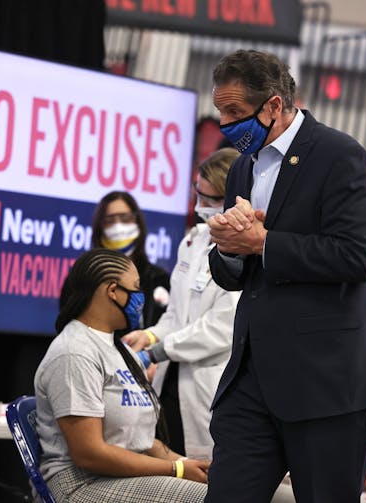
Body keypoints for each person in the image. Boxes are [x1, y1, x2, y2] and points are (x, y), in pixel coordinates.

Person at [205, 49, 366, 503]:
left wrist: (263, 242)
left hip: (324, 380)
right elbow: (237, 272)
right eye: (220, 112)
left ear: (273, 105)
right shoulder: (240, 167)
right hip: (251, 377)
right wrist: (229, 249)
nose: (224, 124)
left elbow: (357, 257)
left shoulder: (340, 155)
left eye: (234, 112)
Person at [34, 248, 210, 503]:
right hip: (80, 485)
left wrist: (187, 463)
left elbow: (144, 441)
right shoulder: (74, 352)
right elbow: (89, 454)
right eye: (136, 288)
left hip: (121, 478)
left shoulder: (119, 350)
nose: (142, 297)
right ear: (113, 291)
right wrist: (177, 470)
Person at [122, 148, 241, 458]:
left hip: (209, 385)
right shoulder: (193, 241)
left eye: (211, 200)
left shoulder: (246, 252)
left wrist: (159, 350)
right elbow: (176, 314)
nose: (201, 206)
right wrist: (150, 336)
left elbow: (220, 329)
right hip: (170, 382)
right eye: (198, 196)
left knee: (204, 478)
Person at [91, 192, 170, 327]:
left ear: (137, 222)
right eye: (109, 221)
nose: (118, 227)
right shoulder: (86, 278)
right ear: (100, 227)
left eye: (125, 218)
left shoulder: (158, 278)